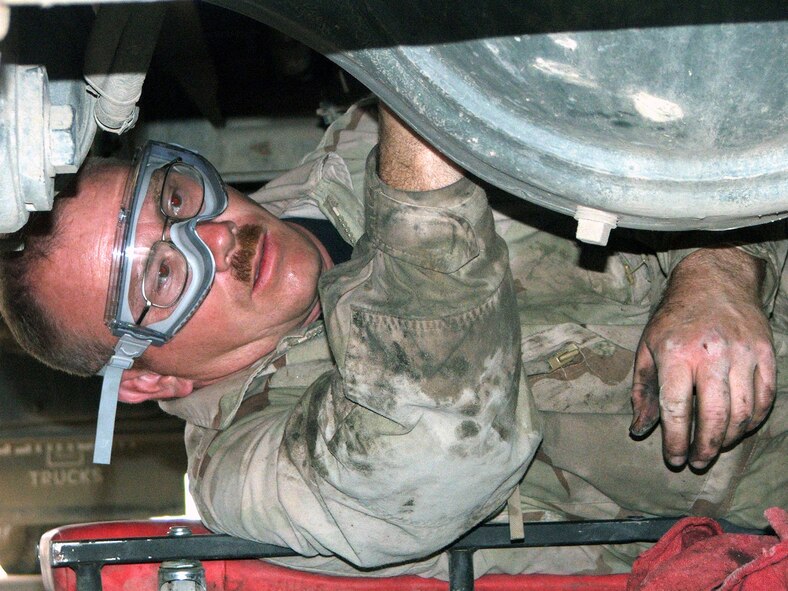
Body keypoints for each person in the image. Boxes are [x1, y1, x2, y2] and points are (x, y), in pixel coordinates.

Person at [0, 100, 785, 577]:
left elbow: (670, 129)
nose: (219, 238)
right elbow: (435, 439)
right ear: (146, 379)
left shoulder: (363, 144)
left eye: (177, 197)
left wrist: (718, 268)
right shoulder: (246, 476)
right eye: (164, 276)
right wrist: (422, 126)